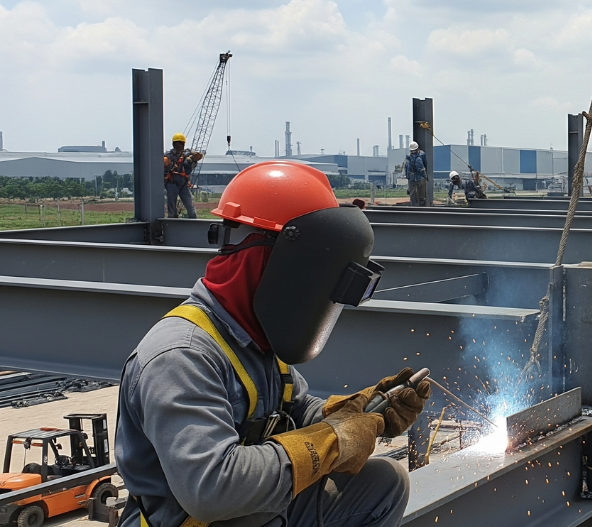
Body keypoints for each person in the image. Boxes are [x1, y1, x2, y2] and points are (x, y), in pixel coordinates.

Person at [116, 160, 430, 527]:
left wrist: (362, 413)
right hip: (203, 519)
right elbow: (211, 489)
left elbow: (294, 413)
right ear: (281, 260)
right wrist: (333, 440)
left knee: (384, 483)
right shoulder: (182, 356)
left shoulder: (254, 337)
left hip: (257, 514)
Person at [164, 133, 203, 219]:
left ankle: (193, 222)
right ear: (174, 145)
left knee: (190, 208)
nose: (179, 146)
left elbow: (190, 167)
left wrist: (192, 160)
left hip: (183, 184)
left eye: (180, 144)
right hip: (172, 184)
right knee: (172, 210)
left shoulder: (187, 154)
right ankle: (172, 223)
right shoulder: (168, 156)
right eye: (177, 144)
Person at [401, 141, 427, 207]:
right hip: (413, 178)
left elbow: (424, 164)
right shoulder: (409, 158)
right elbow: (407, 168)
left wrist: (424, 175)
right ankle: (414, 209)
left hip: (420, 177)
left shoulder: (421, 155)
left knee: (421, 196)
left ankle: (421, 209)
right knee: (413, 196)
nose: (413, 152)